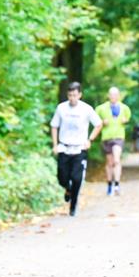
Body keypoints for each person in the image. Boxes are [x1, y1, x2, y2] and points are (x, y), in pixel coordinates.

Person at [50, 82, 102, 217]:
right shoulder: (61, 108)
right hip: (64, 147)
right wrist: (55, 144)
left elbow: (98, 124)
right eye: (70, 95)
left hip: (79, 148)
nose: (72, 98)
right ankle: (67, 188)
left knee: (77, 178)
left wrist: (89, 140)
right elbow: (54, 126)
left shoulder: (86, 109)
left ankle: (73, 206)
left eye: (75, 95)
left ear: (80, 95)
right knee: (62, 177)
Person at [94, 87, 131, 196]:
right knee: (109, 163)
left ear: (119, 96)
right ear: (108, 95)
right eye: (111, 94)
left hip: (119, 137)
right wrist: (101, 122)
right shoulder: (101, 108)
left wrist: (125, 120)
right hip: (106, 137)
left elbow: (127, 117)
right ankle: (109, 184)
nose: (113, 97)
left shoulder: (124, 108)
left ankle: (117, 185)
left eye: (115, 95)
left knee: (116, 160)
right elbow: (94, 120)